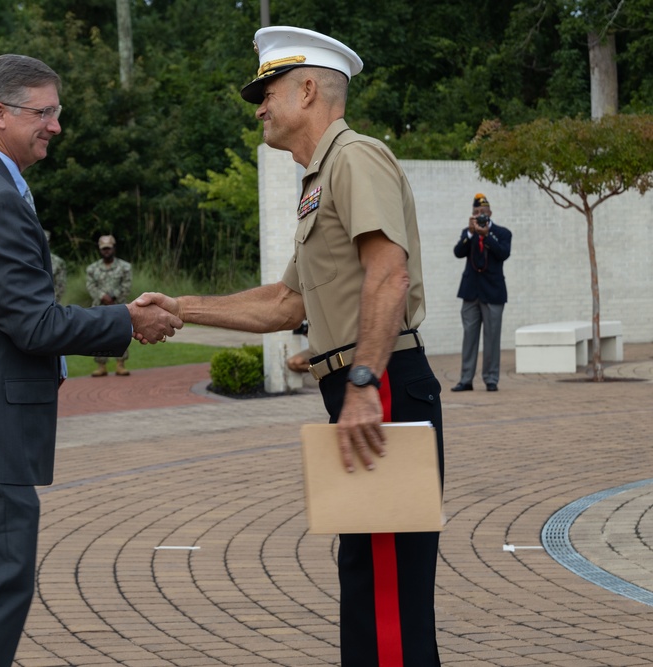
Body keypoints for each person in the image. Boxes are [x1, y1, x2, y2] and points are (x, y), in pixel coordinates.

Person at [138, 27, 444, 666]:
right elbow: (288, 303)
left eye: (266, 91)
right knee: (367, 580)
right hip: (361, 385)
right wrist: (182, 308)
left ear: (308, 90)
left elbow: (390, 272)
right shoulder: (321, 176)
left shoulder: (355, 158)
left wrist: (360, 380)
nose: (258, 108)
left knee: (388, 594)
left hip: (379, 386)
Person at [0, 54, 181, 667]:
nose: (56, 126)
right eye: (44, 112)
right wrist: (127, 320)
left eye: (57, 111)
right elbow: (33, 323)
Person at [452, 193, 512, 392]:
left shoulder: (502, 233)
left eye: (483, 213)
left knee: (492, 338)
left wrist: (486, 235)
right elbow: (458, 253)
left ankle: (491, 378)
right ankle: (466, 379)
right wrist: (470, 234)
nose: (480, 216)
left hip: (493, 294)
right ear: (472, 215)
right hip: (471, 293)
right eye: (476, 213)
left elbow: (503, 253)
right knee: (469, 337)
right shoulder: (467, 233)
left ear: (490, 213)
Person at [85, 235, 133, 376]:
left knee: (121, 333)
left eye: (109, 248)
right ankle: (101, 365)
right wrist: (102, 296)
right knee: (99, 334)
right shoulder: (92, 268)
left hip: (119, 306)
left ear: (114, 248)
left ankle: (120, 363)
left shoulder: (125, 267)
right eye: (104, 249)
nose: (106, 251)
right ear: (100, 250)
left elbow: (127, 285)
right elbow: (90, 285)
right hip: (99, 307)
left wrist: (113, 296)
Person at [44, 230, 66, 303]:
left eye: (46, 242)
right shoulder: (28, 261)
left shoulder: (58, 262)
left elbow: (60, 286)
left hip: (52, 303)